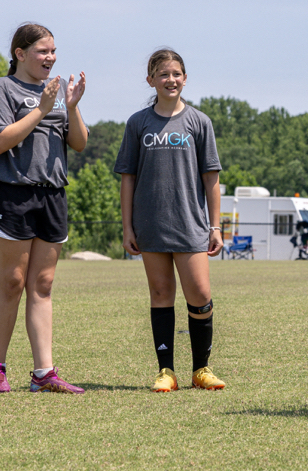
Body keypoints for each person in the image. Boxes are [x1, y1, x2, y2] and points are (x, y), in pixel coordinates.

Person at [0, 23, 88, 394]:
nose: (51, 58)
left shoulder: (56, 93)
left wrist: (70, 107)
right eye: (43, 51)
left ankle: (44, 373)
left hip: (52, 194)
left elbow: (78, 143)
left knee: (42, 284)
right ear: (20, 54)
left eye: (53, 51)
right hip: (12, 193)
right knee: (13, 282)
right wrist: (41, 109)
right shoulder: (2, 88)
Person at [115, 49, 225, 392]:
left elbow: (212, 178)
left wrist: (215, 226)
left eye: (177, 73)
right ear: (151, 80)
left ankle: (201, 370)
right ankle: (166, 371)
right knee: (161, 294)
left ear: (185, 78)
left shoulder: (199, 121)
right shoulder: (138, 123)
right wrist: (128, 226)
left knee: (200, 295)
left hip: (191, 224)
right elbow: (128, 178)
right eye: (163, 74)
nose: (171, 79)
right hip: (151, 225)